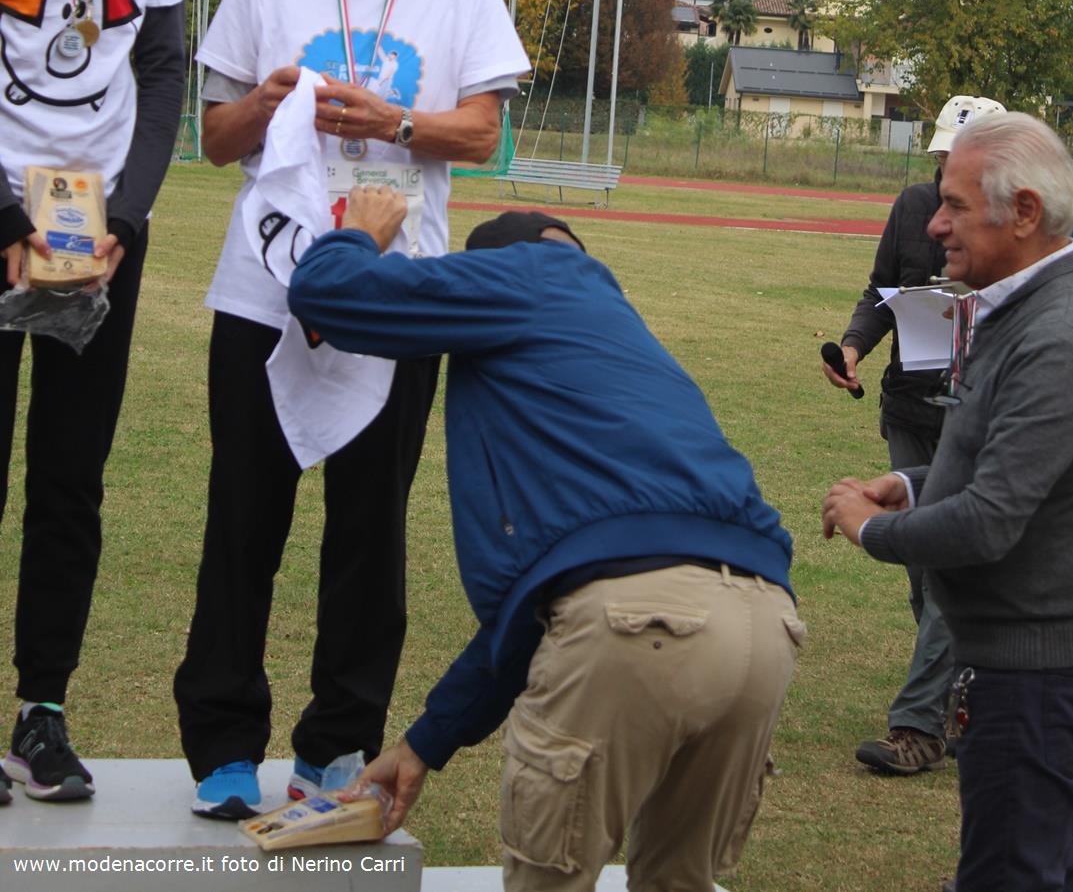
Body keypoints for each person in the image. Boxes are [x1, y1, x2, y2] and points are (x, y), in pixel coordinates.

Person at [174, 0, 530, 819]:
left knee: (370, 529)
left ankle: (337, 743)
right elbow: (215, 139)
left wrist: (393, 122)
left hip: (397, 296)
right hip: (268, 288)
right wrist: (264, 104)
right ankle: (222, 744)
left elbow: (482, 135)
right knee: (244, 516)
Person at [287, 193, 801, 892]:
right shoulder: (618, 330)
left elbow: (328, 294)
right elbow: (551, 604)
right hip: (765, 626)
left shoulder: (525, 270)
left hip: (637, 620)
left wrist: (359, 236)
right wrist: (422, 746)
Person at [0, 0, 206, 803]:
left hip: (100, 227)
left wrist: (125, 216)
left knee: (71, 477)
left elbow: (166, 68)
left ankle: (43, 711)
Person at [823, 112, 1073, 892]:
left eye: (955, 204)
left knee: (1010, 874)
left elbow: (990, 521)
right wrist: (915, 483)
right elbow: (1017, 464)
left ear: (1024, 212)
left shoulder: (1060, 332)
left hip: (1032, 671)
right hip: (1018, 663)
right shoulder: (1026, 309)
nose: (934, 224)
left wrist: (875, 529)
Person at [823, 93, 1005, 775]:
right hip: (911, 412)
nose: (949, 173)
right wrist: (852, 346)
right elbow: (881, 291)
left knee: (948, 574)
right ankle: (968, 698)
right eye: (944, 159)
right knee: (924, 580)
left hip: (974, 420)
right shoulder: (911, 209)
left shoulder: (1013, 232)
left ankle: (919, 726)